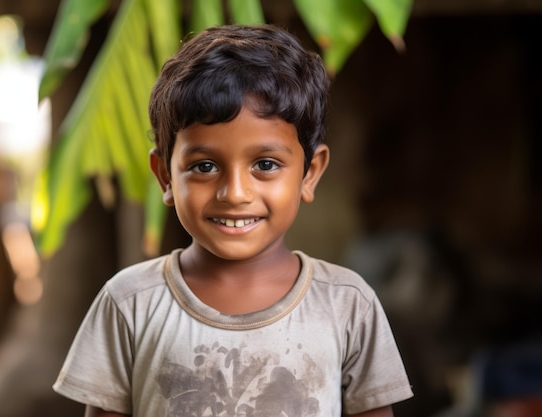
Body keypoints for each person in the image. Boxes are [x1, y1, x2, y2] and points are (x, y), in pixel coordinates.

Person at [53, 24, 413, 417]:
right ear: (166, 176)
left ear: (309, 173)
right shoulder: (130, 303)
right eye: (204, 166)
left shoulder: (346, 304)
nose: (235, 192)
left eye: (265, 164)